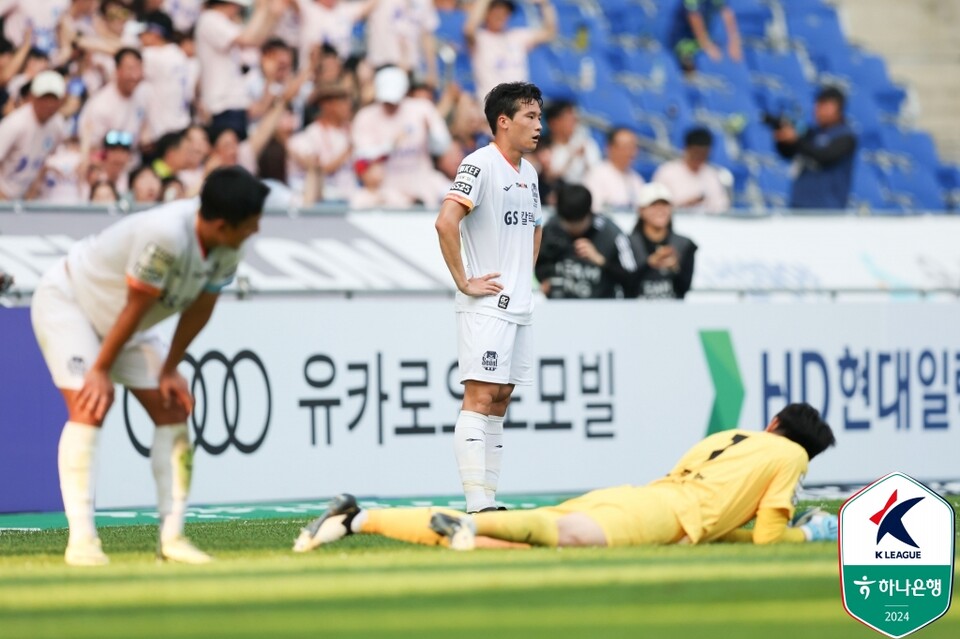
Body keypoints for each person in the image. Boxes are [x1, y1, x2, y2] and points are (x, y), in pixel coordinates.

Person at [30, 166, 269, 566]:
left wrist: (170, 368)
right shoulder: (166, 234)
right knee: (91, 405)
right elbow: (136, 303)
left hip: (128, 325)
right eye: (251, 224)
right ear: (224, 224)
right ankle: (83, 542)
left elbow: (201, 308)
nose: (256, 231)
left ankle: (172, 537)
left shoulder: (232, 246)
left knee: (172, 406)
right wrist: (100, 370)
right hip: (70, 303)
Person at [293, 402, 838, 552]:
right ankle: (467, 527)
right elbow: (768, 537)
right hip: (661, 516)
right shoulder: (789, 459)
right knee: (559, 536)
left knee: (515, 544)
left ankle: (356, 517)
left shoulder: (734, 436)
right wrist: (808, 534)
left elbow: (721, 524)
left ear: (773, 421)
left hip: (640, 498)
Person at [434, 81, 543, 514]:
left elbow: (535, 226)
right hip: (488, 304)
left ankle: (489, 499)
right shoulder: (479, 165)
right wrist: (464, 281)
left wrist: (525, 276)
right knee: (480, 398)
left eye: (539, 117)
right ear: (503, 121)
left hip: (519, 304)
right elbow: (446, 222)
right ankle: (476, 503)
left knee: (499, 401)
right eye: (530, 117)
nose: (539, 126)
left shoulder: (530, 173)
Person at [351, 65, 451, 206]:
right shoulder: (365, 117)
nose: (391, 105)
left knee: (454, 195)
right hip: (386, 186)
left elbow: (442, 148)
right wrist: (390, 145)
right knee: (361, 201)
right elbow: (362, 156)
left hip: (422, 179)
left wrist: (431, 133)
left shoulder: (423, 109)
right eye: (386, 100)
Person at [535, 183, 637, 299]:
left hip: (602, 309)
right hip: (560, 307)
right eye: (566, 223)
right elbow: (538, 263)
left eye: (576, 224)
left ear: (589, 213)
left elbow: (632, 278)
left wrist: (601, 261)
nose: (571, 228)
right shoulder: (552, 228)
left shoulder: (612, 234)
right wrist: (544, 279)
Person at [774, 86, 857, 210]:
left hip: (827, 209)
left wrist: (797, 140)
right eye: (817, 104)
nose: (817, 109)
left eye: (822, 105)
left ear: (835, 107)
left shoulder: (846, 136)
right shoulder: (811, 133)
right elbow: (787, 153)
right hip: (799, 206)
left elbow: (825, 156)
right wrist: (783, 139)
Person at [464, 0, 556, 102]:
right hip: (492, 104)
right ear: (486, 13)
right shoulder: (480, 38)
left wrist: (544, 4)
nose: (500, 15)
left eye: (505, 12)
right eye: (496, 11)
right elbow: (469, 29)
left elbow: (549, 32)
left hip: (520, 102)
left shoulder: (516, 36)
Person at [0, 70, 67, 200]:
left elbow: (45, 159)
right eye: (44, 98)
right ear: (32, 97)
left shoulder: (57, 125)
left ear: (61, 101)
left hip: (25, 198)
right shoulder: (15, 124)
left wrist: (33, 190)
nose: (49, 104)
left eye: (53, 98)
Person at [629, 183, 697, 300]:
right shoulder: (626, 244)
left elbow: (684, 288)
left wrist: (675, 268)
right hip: (636, 313)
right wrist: (649, 264)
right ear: (641, 210)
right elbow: (625, 284)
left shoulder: (685, 245)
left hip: (672, 312)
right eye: (654, 205)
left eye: (665, 205)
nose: (660, 210)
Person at [652, 127, 730, 214]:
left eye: (703, 154)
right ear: (687, 149)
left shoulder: (712, 175)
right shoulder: (667, 172)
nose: (699, 158)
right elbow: (655, 206)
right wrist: (685, 205)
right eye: (696, 153)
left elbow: (722, 207)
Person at [583, 127, 646, 212]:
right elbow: (594, 210)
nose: (631, 152)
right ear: (610, 148)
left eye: (633, 147)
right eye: (626, 147)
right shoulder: (596, 175)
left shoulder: (637, 179)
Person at [542, 99, 601, 187]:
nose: (573, 123)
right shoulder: (543, 148)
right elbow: (549, 178)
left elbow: (597, 174)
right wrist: (571, 157)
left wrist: (585, 159)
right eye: (567, 119)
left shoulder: (586, 144)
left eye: (574, 119)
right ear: (553, 123)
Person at [670, 0, 742, 72]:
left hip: (702, 40)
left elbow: (726, 12)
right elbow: (694, 17)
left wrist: (734, 42)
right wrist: (707, 46)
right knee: (694, 62)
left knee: (726, 57)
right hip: (683, 41)